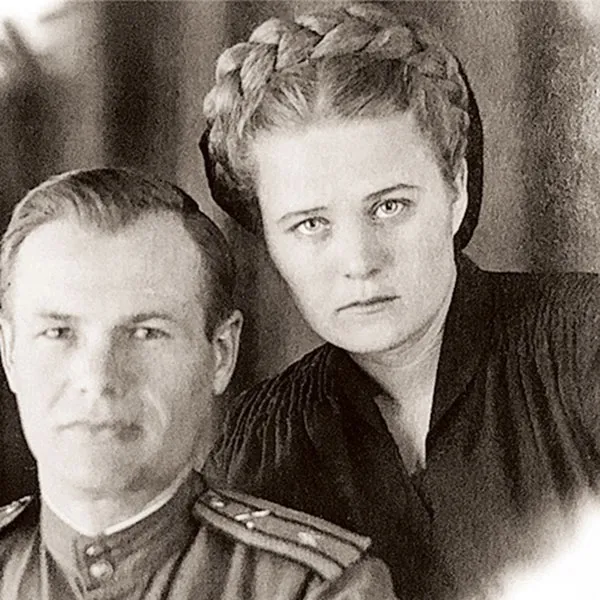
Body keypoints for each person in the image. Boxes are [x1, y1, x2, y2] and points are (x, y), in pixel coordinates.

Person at [200, 3, 600, 599]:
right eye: (310, 224)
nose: (359, 261)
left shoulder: (583, 342)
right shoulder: (254, 449)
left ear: (456, 190)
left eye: (390, 206)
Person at [0, 168, 397, 599]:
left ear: (221, 354)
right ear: (9, 351)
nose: (98, 379)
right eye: (58, 333)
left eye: (146, 333)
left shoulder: (312, 588)